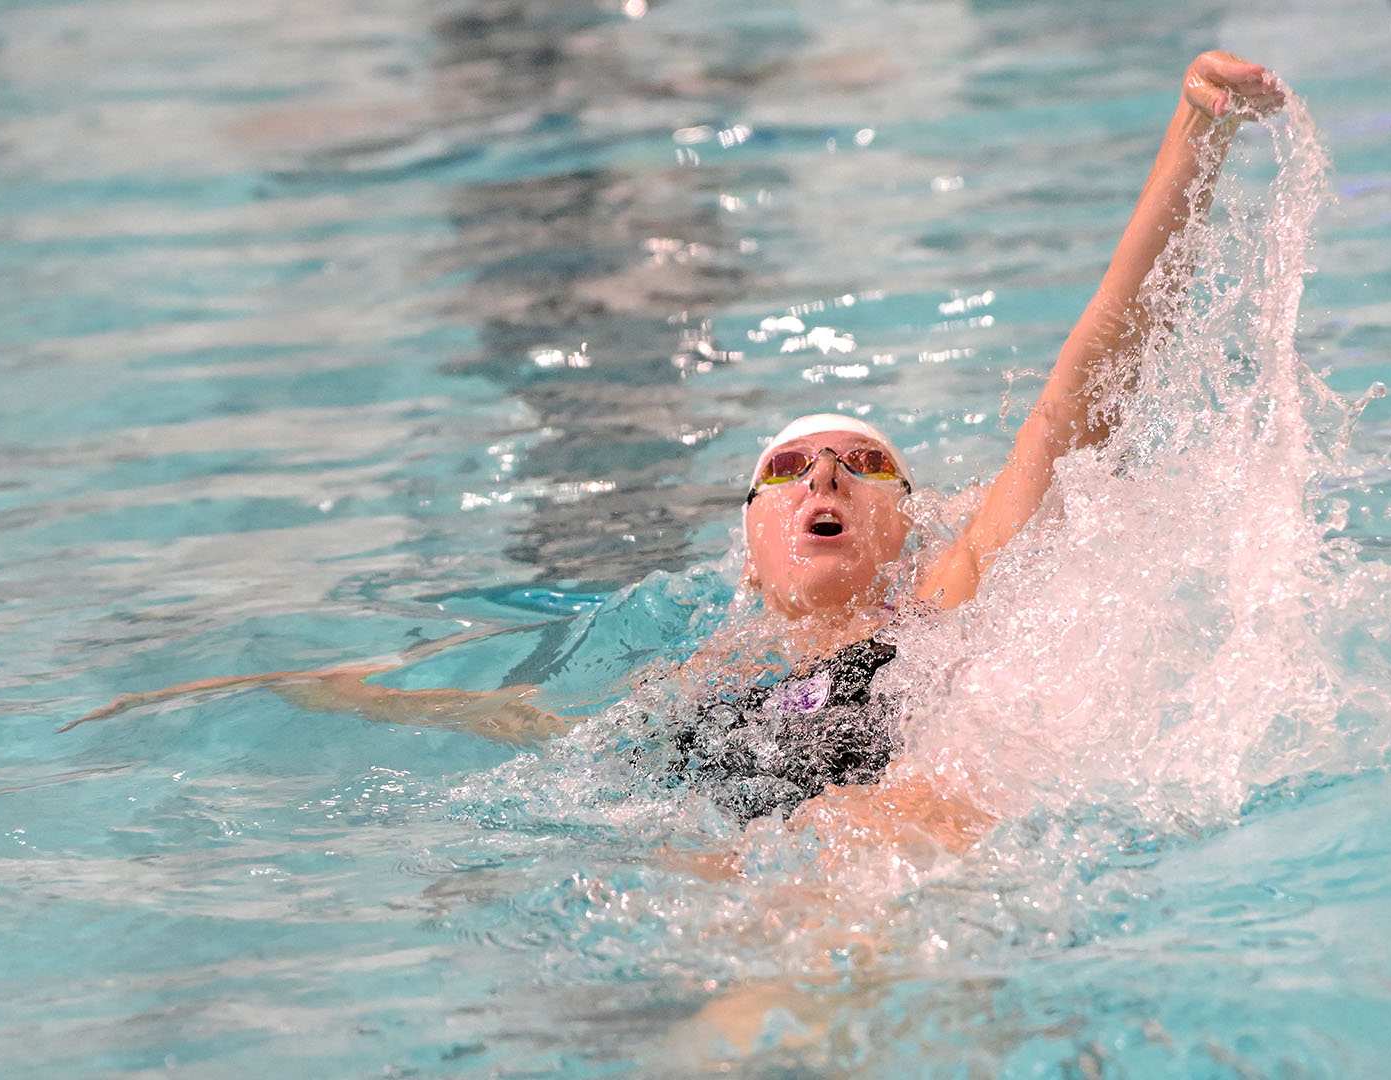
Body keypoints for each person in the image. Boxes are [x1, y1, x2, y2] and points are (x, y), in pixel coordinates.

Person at [68, 51, 1285, 833]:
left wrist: (1195, 142)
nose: (824, 476)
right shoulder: (688, 688)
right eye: (790, 468)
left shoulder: (944, 607)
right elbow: (497, 720)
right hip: (732, 903)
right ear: (749, 544)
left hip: (901, 877)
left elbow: (1082, 391)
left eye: (864, 466)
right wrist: (267, 691)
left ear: (908, 522)